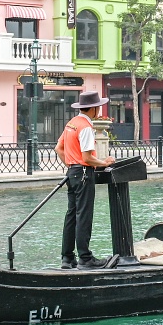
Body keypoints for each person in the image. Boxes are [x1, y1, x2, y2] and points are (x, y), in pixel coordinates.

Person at [54, 91, 116, 270]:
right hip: (83, 173)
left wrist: (71, 165)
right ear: (94, 108)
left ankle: (67, 258)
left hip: (72, 174)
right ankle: (85, 258)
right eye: (98, 107)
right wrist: (103, 162)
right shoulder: (86, 127)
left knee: (71, 215)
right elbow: (88, 158)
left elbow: (58, 148)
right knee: (84, 215)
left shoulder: (71, 123)